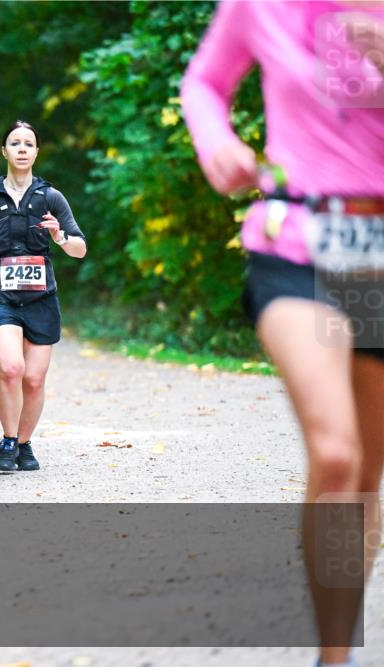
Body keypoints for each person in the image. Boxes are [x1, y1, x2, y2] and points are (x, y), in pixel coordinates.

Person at [181, 3, 384, 666]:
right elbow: (205, 82)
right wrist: (216, 141)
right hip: (295, 242)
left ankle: (337, 641)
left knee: (364, 477)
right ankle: (336, 658)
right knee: (336, 455)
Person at [0, 120, 87, 472]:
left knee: (34, 379)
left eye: (29, 143)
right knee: (12, 368)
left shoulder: (51, 198)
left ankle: (25, 444)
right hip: (0, 297)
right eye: (15, 143)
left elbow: (80, 249)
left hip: (42, 300)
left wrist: (59, 236)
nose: (22, 149)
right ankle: (8, 440)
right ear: (4, 151)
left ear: (37, 152)